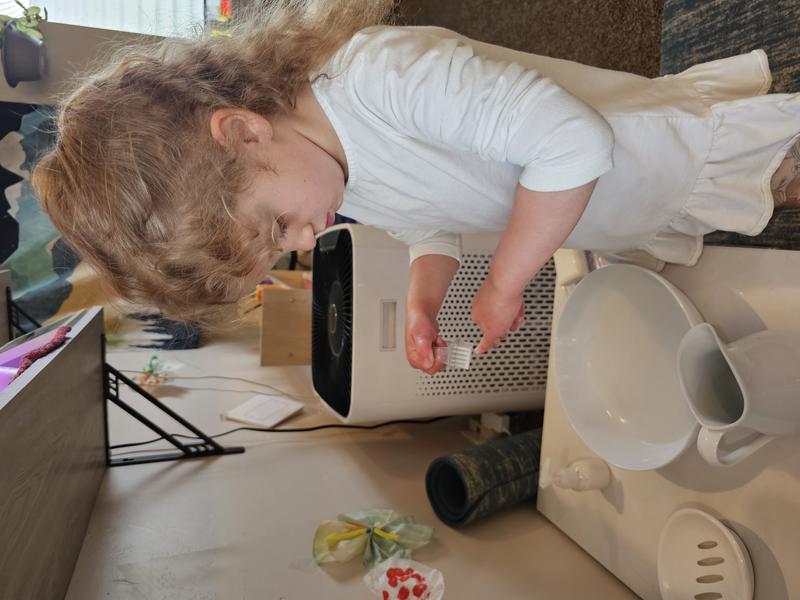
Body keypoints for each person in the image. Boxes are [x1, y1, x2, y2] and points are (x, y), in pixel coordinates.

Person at [32, 0, 800, 376]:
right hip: (625, 209)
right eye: (280, 252)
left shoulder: (379, 77)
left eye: (275, 229)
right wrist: (429, 292)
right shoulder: (328, 173)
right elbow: (431, 218)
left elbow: (572, 143)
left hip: (674, 154)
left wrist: (503, 281)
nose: (305, 243)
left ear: (240, 131)